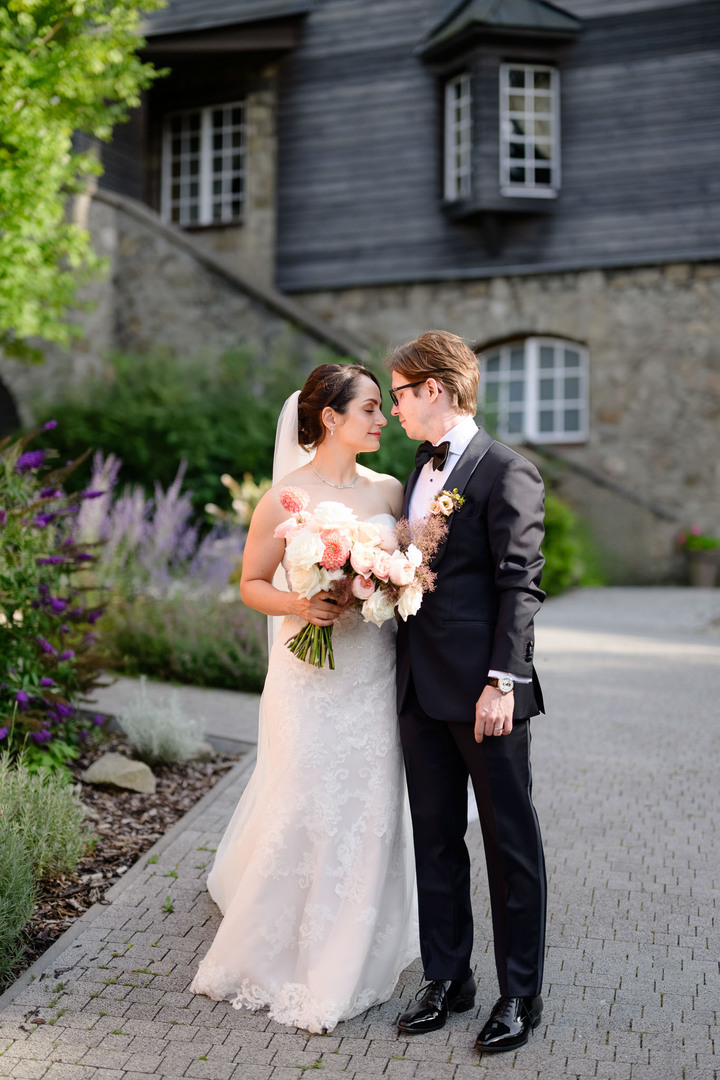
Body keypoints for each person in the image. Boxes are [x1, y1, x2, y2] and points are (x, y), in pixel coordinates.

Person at [190, 363, 419, 1034]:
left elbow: (405, 576)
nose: (383, 419)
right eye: (372, 408)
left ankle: (350, 952)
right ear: (330, 417)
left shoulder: (389, 490)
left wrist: (389, 583)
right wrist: (302, 602)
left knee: (367, 807)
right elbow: (251, 584)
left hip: (371, 672)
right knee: (304, 802)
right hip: (309, 674)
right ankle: (277, 946)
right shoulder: (284, 498)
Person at [386, 331, 547, 1053]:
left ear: (437, 391)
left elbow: (520, 585)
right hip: (419, 686)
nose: (392, 408)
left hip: (487, 695)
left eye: (399, 393)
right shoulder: (418, 465)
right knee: (436, 838)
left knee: (509, 842)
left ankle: (520, 992)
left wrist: (501, 682)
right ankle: (449, 977)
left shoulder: (508, 471)